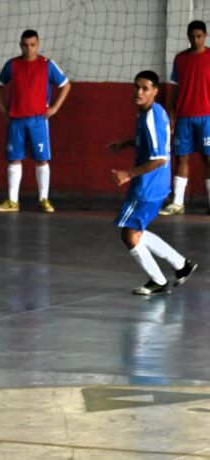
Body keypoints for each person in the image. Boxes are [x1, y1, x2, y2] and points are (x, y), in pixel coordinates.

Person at [107, 71, 198, 295]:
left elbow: (159, 158)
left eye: (145, 88)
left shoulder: (150, 117)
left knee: (129, 234)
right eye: (137, 87)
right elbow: (154, 142)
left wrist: (129, 173)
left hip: (149, 186)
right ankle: (180, 264)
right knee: (137, 230)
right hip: (155, 183)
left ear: (155, 91)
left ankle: (158, 281)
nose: (139, 92)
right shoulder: (152, 111)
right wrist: (127, 143)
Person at [0, 29, 70, 213]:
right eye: (25, 45)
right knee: (13, 160)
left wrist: (55, 108)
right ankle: (12, 201)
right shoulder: (12, 65)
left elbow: (66, 85)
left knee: (41, 160)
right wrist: (3, 108)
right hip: (16, 120)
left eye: (32, 45)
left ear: (38, 44)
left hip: (38, 120)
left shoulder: (47, 64)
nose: (29, 48)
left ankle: (44, 199)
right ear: (20, 45)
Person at [161, 20, 210, 216]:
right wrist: (170, 112)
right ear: (188, 37)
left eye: (199, 36)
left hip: (207, 116)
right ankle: (178, 203)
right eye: (192, 36)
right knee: (182, 157)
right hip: (184, 117)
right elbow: (173, 87)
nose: (196, 40)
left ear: (205, 36)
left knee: (208, 158)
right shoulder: (180, 59)